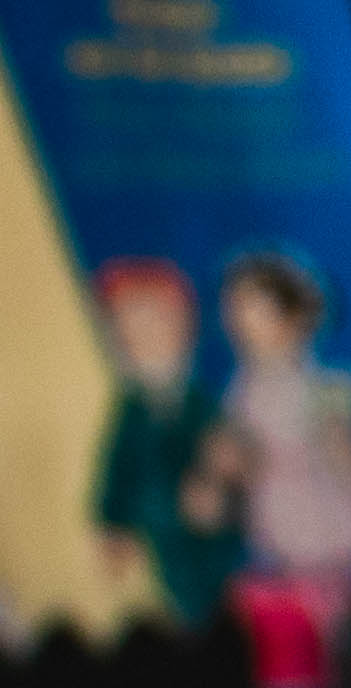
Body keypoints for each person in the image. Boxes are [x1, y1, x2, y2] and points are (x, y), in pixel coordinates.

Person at [212, 247, 351, 688]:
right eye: (236, 310)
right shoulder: (245, 385)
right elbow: (243, 449)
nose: (241, 323)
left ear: (294, 320)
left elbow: (346, 456)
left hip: (317, 512)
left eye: (255, 310)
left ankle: (347, 685)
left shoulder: (323, 390)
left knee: (331, 607)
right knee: (285, 610)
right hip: (274, 512)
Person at [83, 257, 239, 624]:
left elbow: (232, 468)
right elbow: (117, 468)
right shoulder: (132, 412)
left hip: (208, 543)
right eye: (129, 327)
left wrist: (222, 493)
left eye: (155, 322)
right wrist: (111, 522)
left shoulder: (203, 406)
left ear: (185, 326)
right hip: (156, 538)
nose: (143, 337)